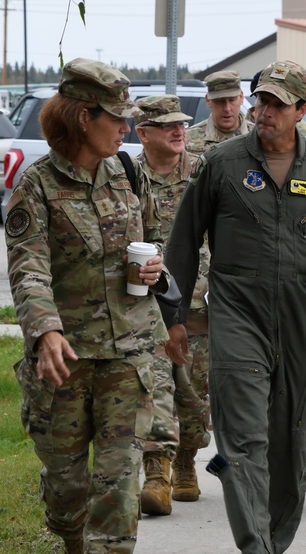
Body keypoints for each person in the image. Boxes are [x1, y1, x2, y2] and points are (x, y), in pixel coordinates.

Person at [165, 60, 306, 554]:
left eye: (277, 104)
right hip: (237, 313)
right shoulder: (223, 162)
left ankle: (274, 540)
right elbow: (183, 242)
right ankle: (255, 546)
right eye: (261, 100)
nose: (264, 112)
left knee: (293, 440)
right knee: (243, 439)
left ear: (302, 111)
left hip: (300, 315)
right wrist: (175, 317)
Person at [5, 58, 170, 554]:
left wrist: (154, 266)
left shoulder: (126, 173)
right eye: (117, 119)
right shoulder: (36, 188)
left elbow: (156, 235)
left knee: (118, 486)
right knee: (68, 491)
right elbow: (28, 268)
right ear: (83, 118)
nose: (127, 128)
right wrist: (45, 331)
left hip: (129, 354)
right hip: (67, 359)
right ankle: (71, 537)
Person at [130, 94, 202, 516]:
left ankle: (188, 463)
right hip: (148, 302)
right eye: (168, 126)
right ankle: (157, 473)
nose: (179, 131)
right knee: (155, 385)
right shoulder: (127, 176)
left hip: (201, 299)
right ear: (143, 133)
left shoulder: (203, 172)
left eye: (182, 124)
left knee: (196, 394)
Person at [185, 70, 252, 154]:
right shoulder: (188, 139)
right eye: (220, 101)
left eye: (232, 100)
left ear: (241, 97)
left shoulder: (258, 136)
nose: (227, 109)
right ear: (208, 100)